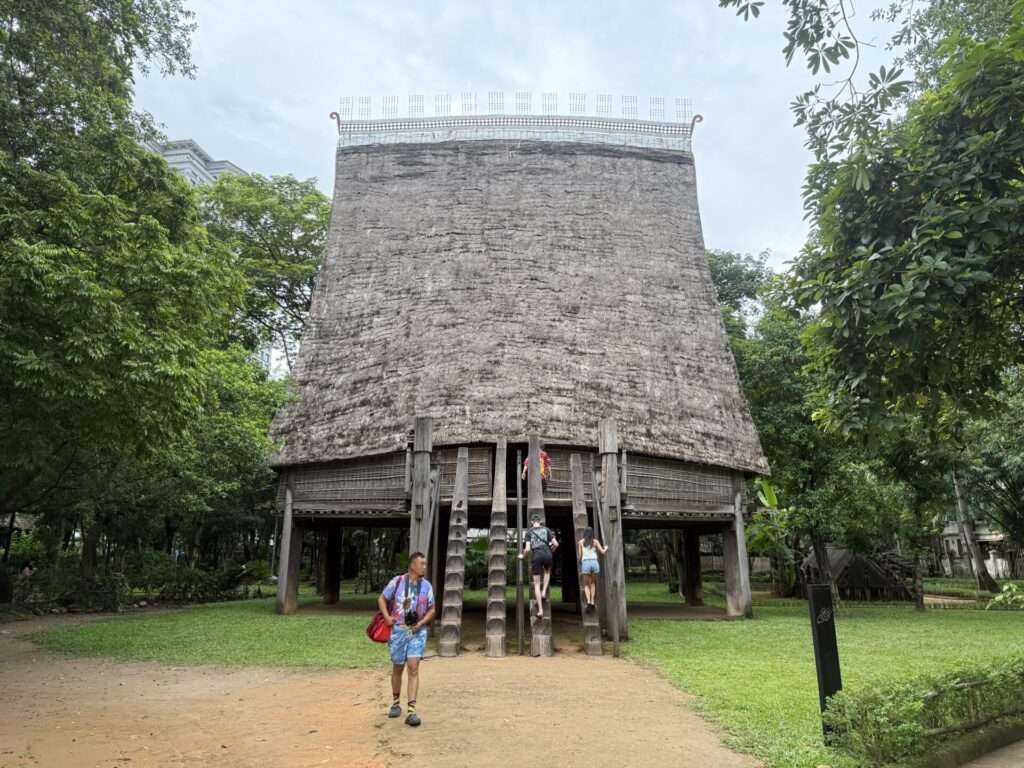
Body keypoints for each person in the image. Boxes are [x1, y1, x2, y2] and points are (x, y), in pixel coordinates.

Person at [378, 552, 435, 727]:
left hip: (417, 631)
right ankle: (396, 703)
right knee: (397, 667)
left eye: (425, 564)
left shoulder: (426, 586)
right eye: (421, 564)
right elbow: (382, 598)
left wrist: (423, 622)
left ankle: (412, 711)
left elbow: (432, 608)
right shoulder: (397, 582)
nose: (424, 566)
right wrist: (387, 617)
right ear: (412, 565)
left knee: (413, 668)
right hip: (398, 631)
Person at [518, 514, 558, 618]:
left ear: (532, 522)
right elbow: (556, 544)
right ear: (540, 521)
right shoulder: (546, 529)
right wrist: (552, 550)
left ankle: (540, 610)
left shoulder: (529, 532)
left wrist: (522, 556)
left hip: (537, 557)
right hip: (548, 555)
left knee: (536, 584)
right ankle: (544, 591)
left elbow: (527, 549)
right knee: (547, 572)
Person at [577, 527, 608, 610]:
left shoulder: (580, 542)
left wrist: (581, 561)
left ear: (585, 533)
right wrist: (606, 548)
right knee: (592, 583)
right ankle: (593, 602)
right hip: (594, 563)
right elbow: (603, 552)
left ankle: (589, 601)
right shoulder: (595, 541)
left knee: (586, 585)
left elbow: (580, 556)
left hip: (586, 563)